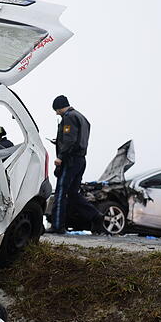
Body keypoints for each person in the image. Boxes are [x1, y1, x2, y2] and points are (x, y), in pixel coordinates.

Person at [48, 95, 104, 234]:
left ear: (60, 107)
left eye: (56, 110)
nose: (56, 113)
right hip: (80, 160)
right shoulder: (82, 117)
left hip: (70, 160)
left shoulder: (69, 117)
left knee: (61, 193)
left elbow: (70, 139)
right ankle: (96, 216)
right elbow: (77, 138)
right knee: (73, 194)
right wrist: (59, 141)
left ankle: (57, 226)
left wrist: (61, 157)